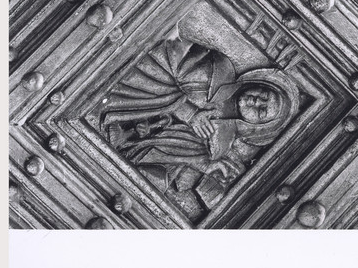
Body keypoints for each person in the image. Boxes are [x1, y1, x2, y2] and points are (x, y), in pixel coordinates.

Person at [101, 39, 300, 219]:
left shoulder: (221, 143)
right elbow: (163, 56)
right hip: (117, 83)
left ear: (257, 126)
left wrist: (203, 165)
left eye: (262, 111)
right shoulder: (218, 70)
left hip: (127, 150)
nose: (257, 101)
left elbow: (172, 156)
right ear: (261, 83)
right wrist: (188, 112)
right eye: (264, 95)